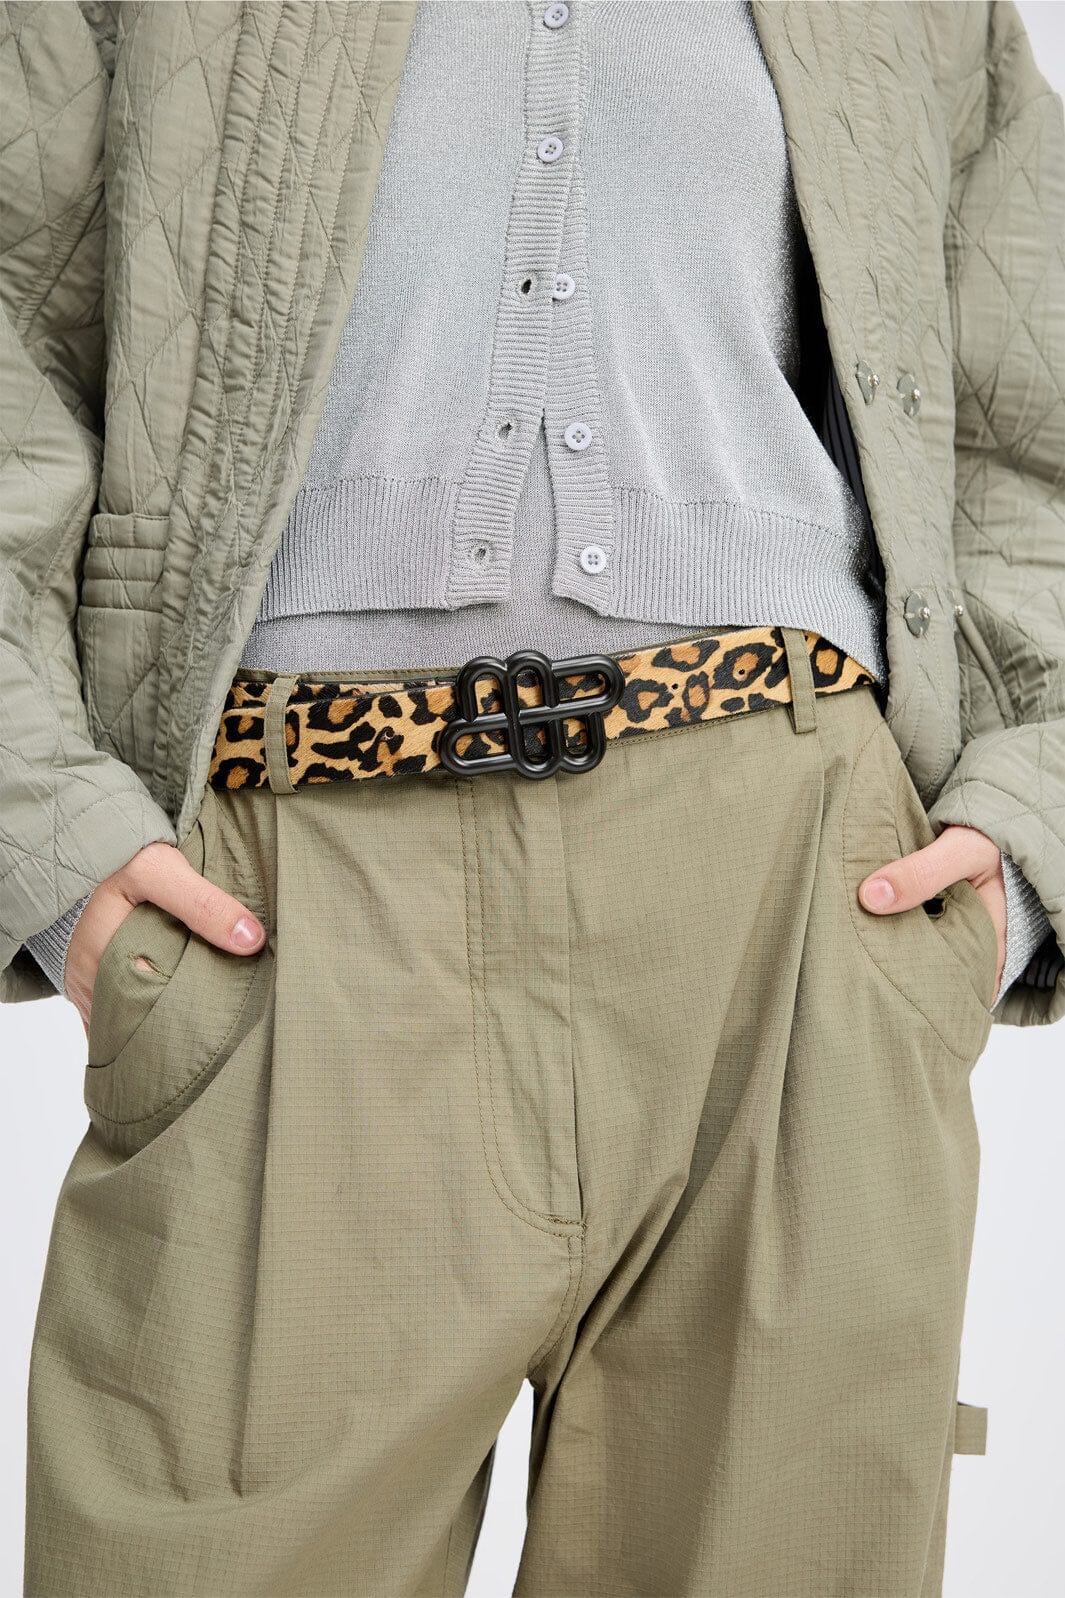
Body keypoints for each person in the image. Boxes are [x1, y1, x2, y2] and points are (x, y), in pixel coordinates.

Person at [3, 1, 1062, 1593]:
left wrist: (1023, 838)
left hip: (790, 906)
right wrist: (52, 839)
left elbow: (1029, 425)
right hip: (289, 906)